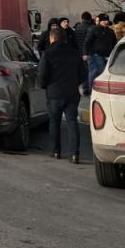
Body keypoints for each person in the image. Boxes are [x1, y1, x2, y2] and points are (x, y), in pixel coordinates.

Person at [39, 25, 87, 163]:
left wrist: (45, 86)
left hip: (54, 93)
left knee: (54, 122)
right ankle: (74, 154)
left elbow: (42, 74)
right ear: (65, 38)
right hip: (71, 92)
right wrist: (74, 82)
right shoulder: (74, 53)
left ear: (53, 38)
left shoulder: (48, 54)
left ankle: (56, 151)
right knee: (72, 122)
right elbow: (83, 73)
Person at [83, 13, 117, 88]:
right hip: (95, 55)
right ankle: (92, 88)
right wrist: (85, 53)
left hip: (107, 56)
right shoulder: (93, 29)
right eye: (104, 20)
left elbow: (114, 43)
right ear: (100, 21)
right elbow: (87, 42)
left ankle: (102, 88)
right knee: (95, 72)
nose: (106, 22)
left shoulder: (110, 31)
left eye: (107, 20)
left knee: (104, 73)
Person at [72, 12, 96, 93]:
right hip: (89, 52)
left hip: (80, 52)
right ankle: (90, 88)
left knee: (84, 71)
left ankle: (85, 87)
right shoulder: (91, 27)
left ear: (82, 18)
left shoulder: (77, 27)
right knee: (91, 71)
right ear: (90, 18)